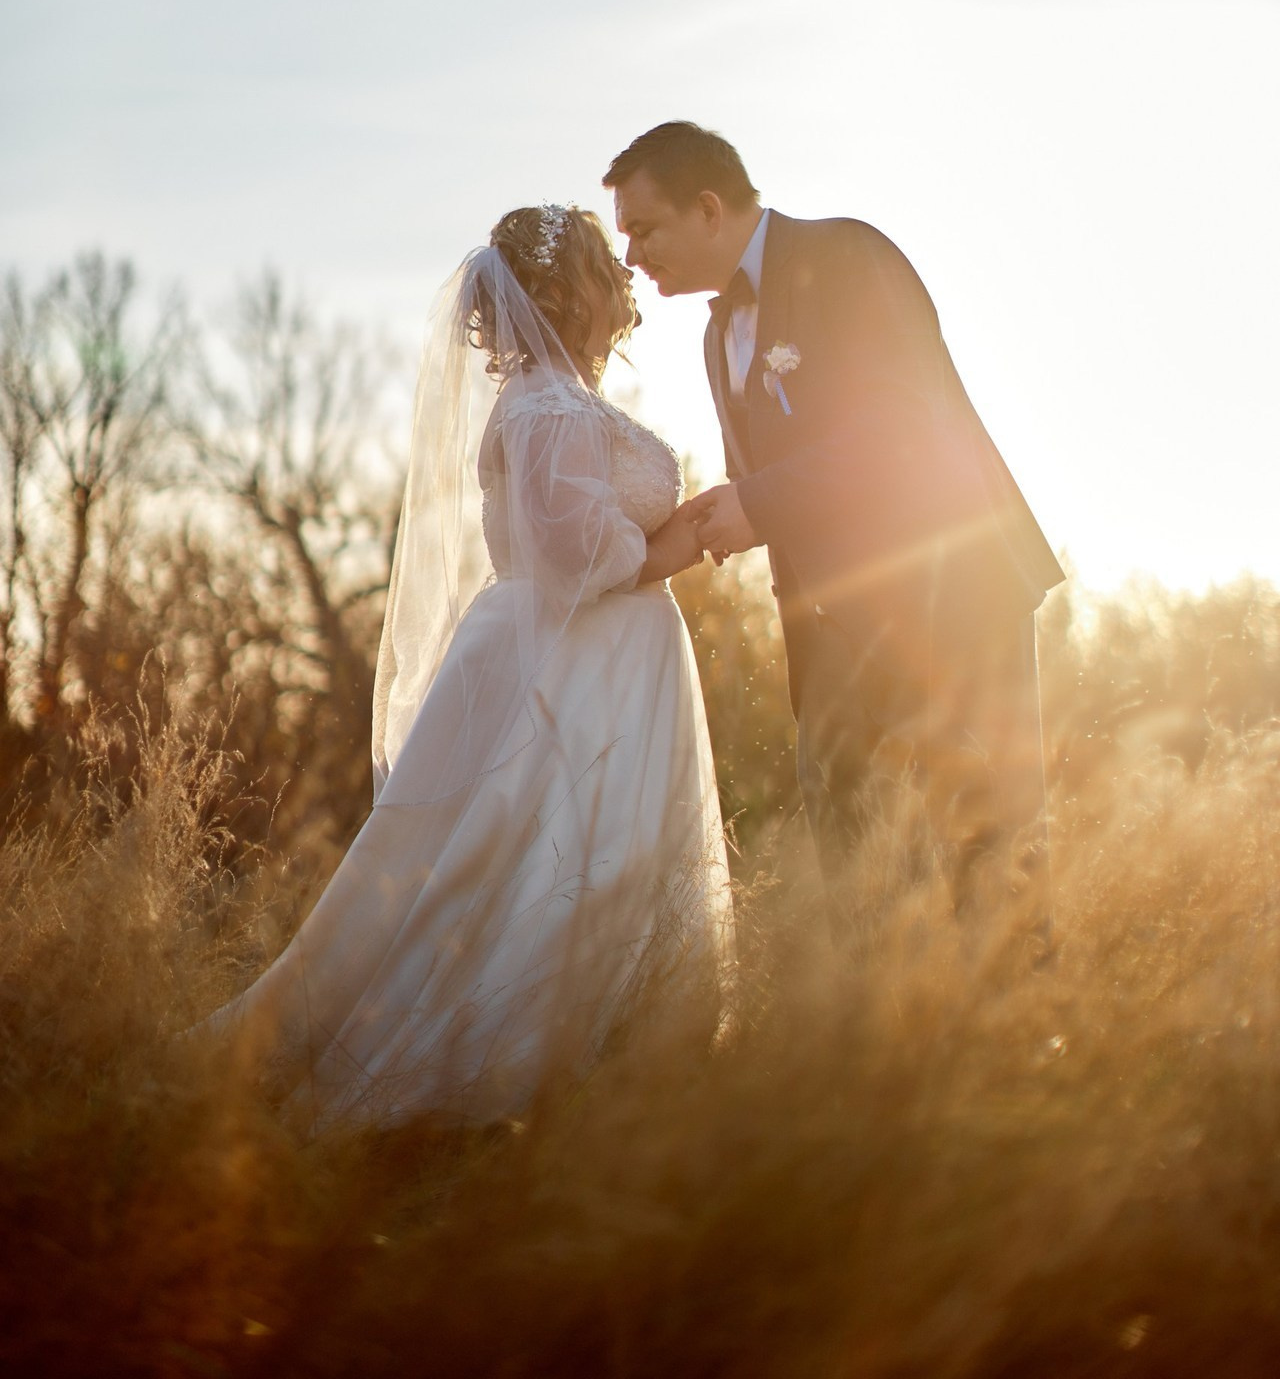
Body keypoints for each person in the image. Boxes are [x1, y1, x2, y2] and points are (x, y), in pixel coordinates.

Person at [204, 204, 732, 1126]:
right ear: (571, 291)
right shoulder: (549, 407)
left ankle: (628, 1052)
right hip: (575, 665)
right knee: (544, 860)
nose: (627, 279)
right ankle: (506, 1068)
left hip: (591, 656)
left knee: (555, 856)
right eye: (612, 264)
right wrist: (679, 544)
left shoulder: (551, 399)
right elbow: (572, 550)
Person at [604, 121, 1064, 931]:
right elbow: (780, 486)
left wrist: (759, 502)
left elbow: (905, 432)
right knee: (859, 867)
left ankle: (1024, 1046)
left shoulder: (848, 259)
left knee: (991, 856)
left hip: (953, 598)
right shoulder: (717, 338)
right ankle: (882, 1043)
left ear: (708, 208)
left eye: (644, 229)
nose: (633, 257)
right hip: (835, 632)